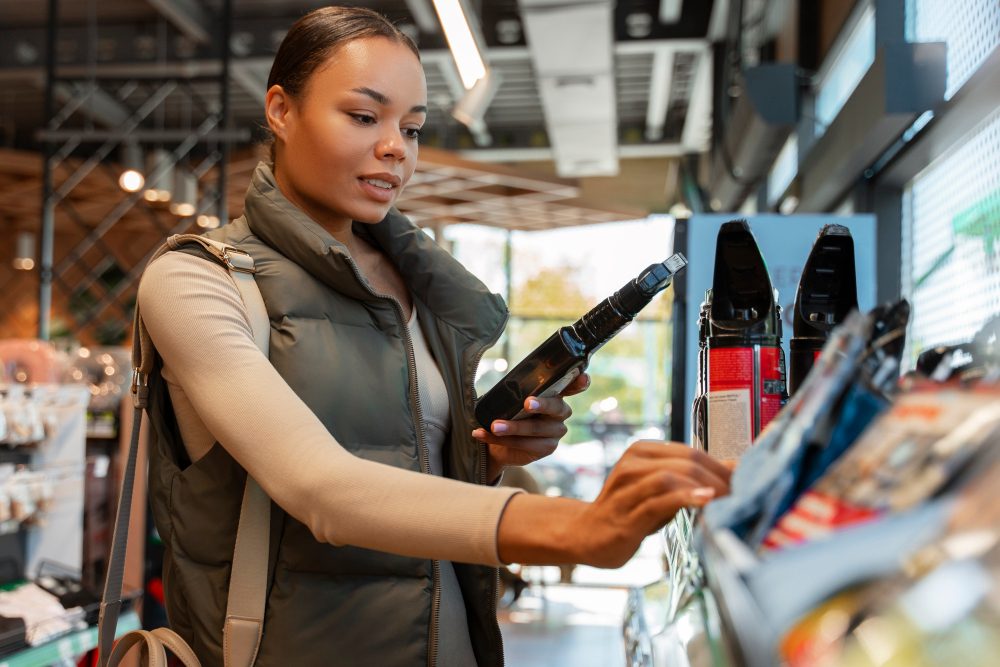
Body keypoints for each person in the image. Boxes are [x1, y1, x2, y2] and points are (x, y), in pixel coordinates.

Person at [134, 6, 732, 667]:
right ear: (280, 109)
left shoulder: (419, 286)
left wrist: (491, 455)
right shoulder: (197, 279)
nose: (397, 146)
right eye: (365, 117)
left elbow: (407, 465)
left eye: (412, 127)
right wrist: (576, 525)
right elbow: (323, 490)